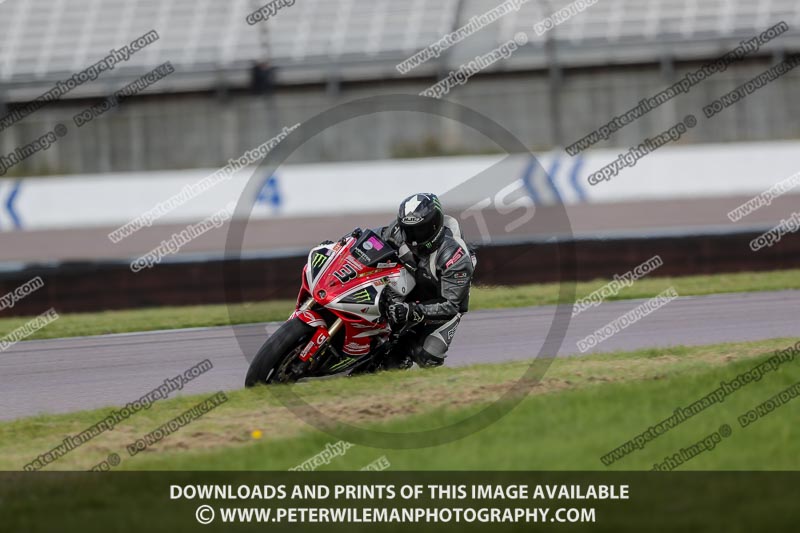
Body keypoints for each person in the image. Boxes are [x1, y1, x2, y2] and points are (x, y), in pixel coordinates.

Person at [379, 193, 476, 368]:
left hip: (440, 300)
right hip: (407, 286)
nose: (414, 237)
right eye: (409, 230)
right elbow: (372, 240)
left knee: (427, 356)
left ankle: (400, 355)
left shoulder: (453, 256)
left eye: (420, 229)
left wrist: (413, 311)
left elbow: (452, 305)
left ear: (434, 225)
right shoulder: (398, 231)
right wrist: (343, 246)